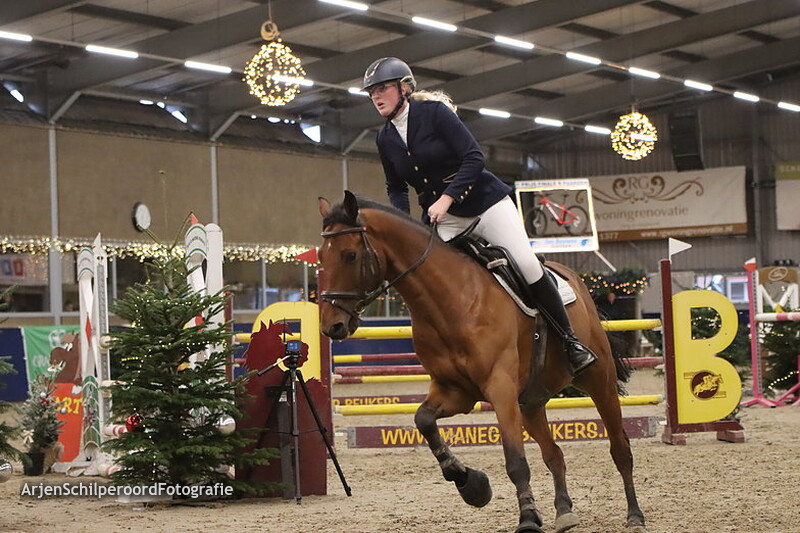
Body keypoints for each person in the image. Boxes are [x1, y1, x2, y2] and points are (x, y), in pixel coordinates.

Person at [362, 57, 596, 374]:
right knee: (434, 278)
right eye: (371, 92)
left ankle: (571, 342)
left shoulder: (434, 114)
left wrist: (447, 198)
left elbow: (474, 157)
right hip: (444, 219)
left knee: (526, 263)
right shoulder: (384, 138)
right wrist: (401, 227)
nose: (376, 96)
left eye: (383, 89)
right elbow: (396, 187)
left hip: (486, 205)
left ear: (405, 88)